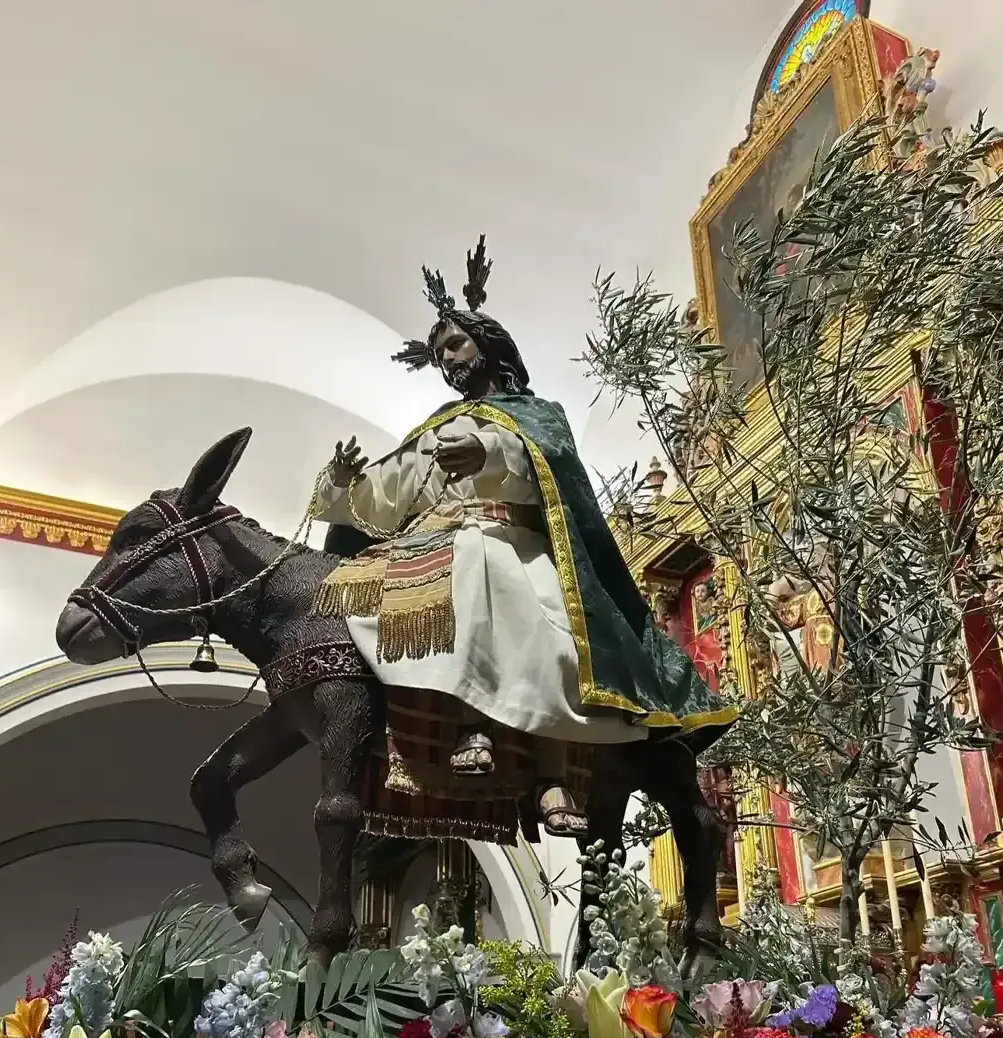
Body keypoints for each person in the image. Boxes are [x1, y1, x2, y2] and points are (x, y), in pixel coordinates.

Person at [312, 238, 735, 836]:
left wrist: (487, 452)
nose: (448, 359)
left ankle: (549, 772)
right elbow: (387, 497)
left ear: (490, 345)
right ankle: (421, 730)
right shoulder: (436, 427)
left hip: (512, 539)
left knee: (552, 630)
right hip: (439, 544)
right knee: (379, 591)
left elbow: (552, 468)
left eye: (455, 344)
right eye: (439, 354)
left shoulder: (539, 415)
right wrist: (344, 483)